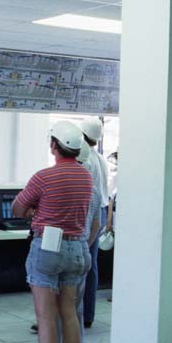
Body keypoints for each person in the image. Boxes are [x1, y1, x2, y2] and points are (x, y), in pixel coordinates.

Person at [10, 120, 92, 343]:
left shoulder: (43, 177)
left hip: (48, 247)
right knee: (69, 314)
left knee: (46, 318)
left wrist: (36, 209)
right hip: (78, 248)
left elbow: (17, 207)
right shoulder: (86, 176)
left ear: (54, 145)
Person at [22, 142, 101, 343]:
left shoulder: (53, 181)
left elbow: (22, 207)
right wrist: (81, 246)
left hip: (51, 250)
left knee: (48, 314)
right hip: (79, 253)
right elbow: (95, 225)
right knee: (73, 312)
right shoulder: (92, 189)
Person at [79, 117, 109, 328]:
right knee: (91, 265)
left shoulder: (86, 161)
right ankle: (87, 314)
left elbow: (84, 193)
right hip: (101, 211)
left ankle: (75, 314)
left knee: (81, 265)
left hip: (89, 214)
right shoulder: (101, 159)